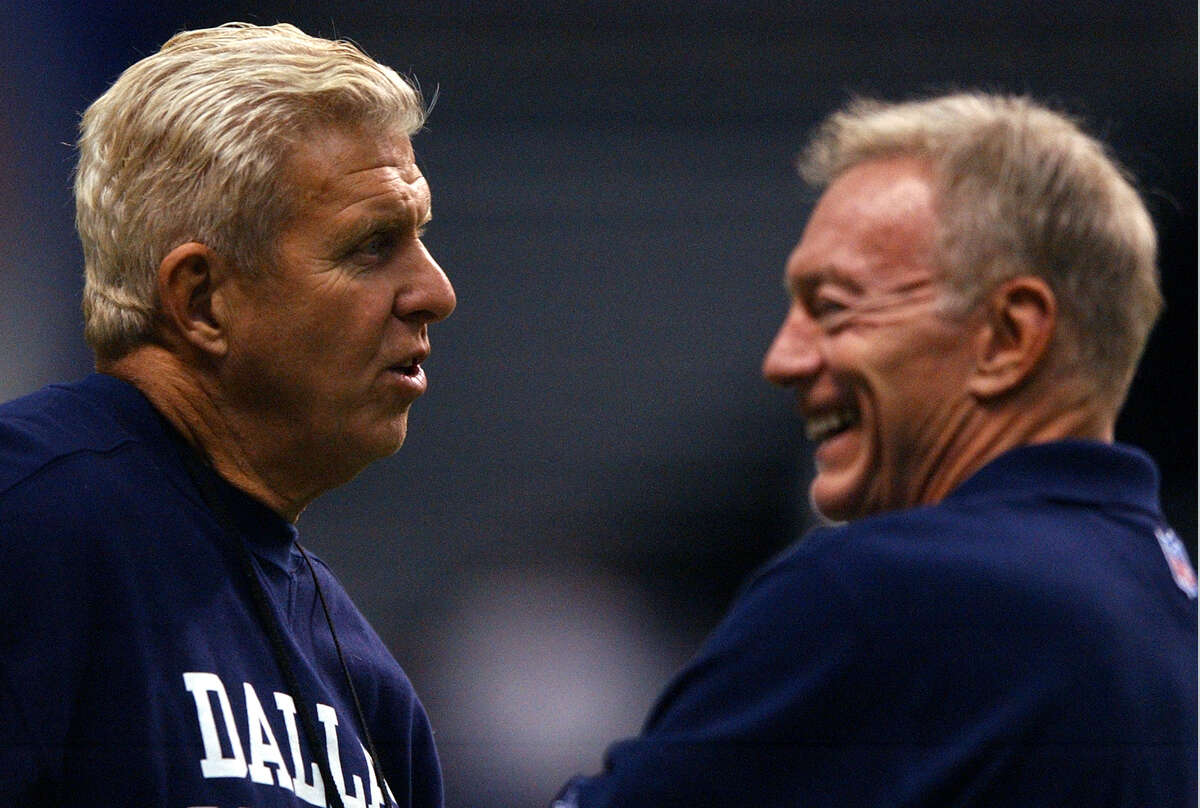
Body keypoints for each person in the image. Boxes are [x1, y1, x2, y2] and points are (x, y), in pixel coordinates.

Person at [554, 92, 1196, 806]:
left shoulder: (888, 590)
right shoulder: (1162, 592)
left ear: (1010, 338)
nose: (783, 357)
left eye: (835, 307)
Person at [0, 23, 455, 808]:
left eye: (419, 238)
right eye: (373, 246)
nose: (435, 293)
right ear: (201, 300)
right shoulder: (30, 517)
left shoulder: (369, 687)